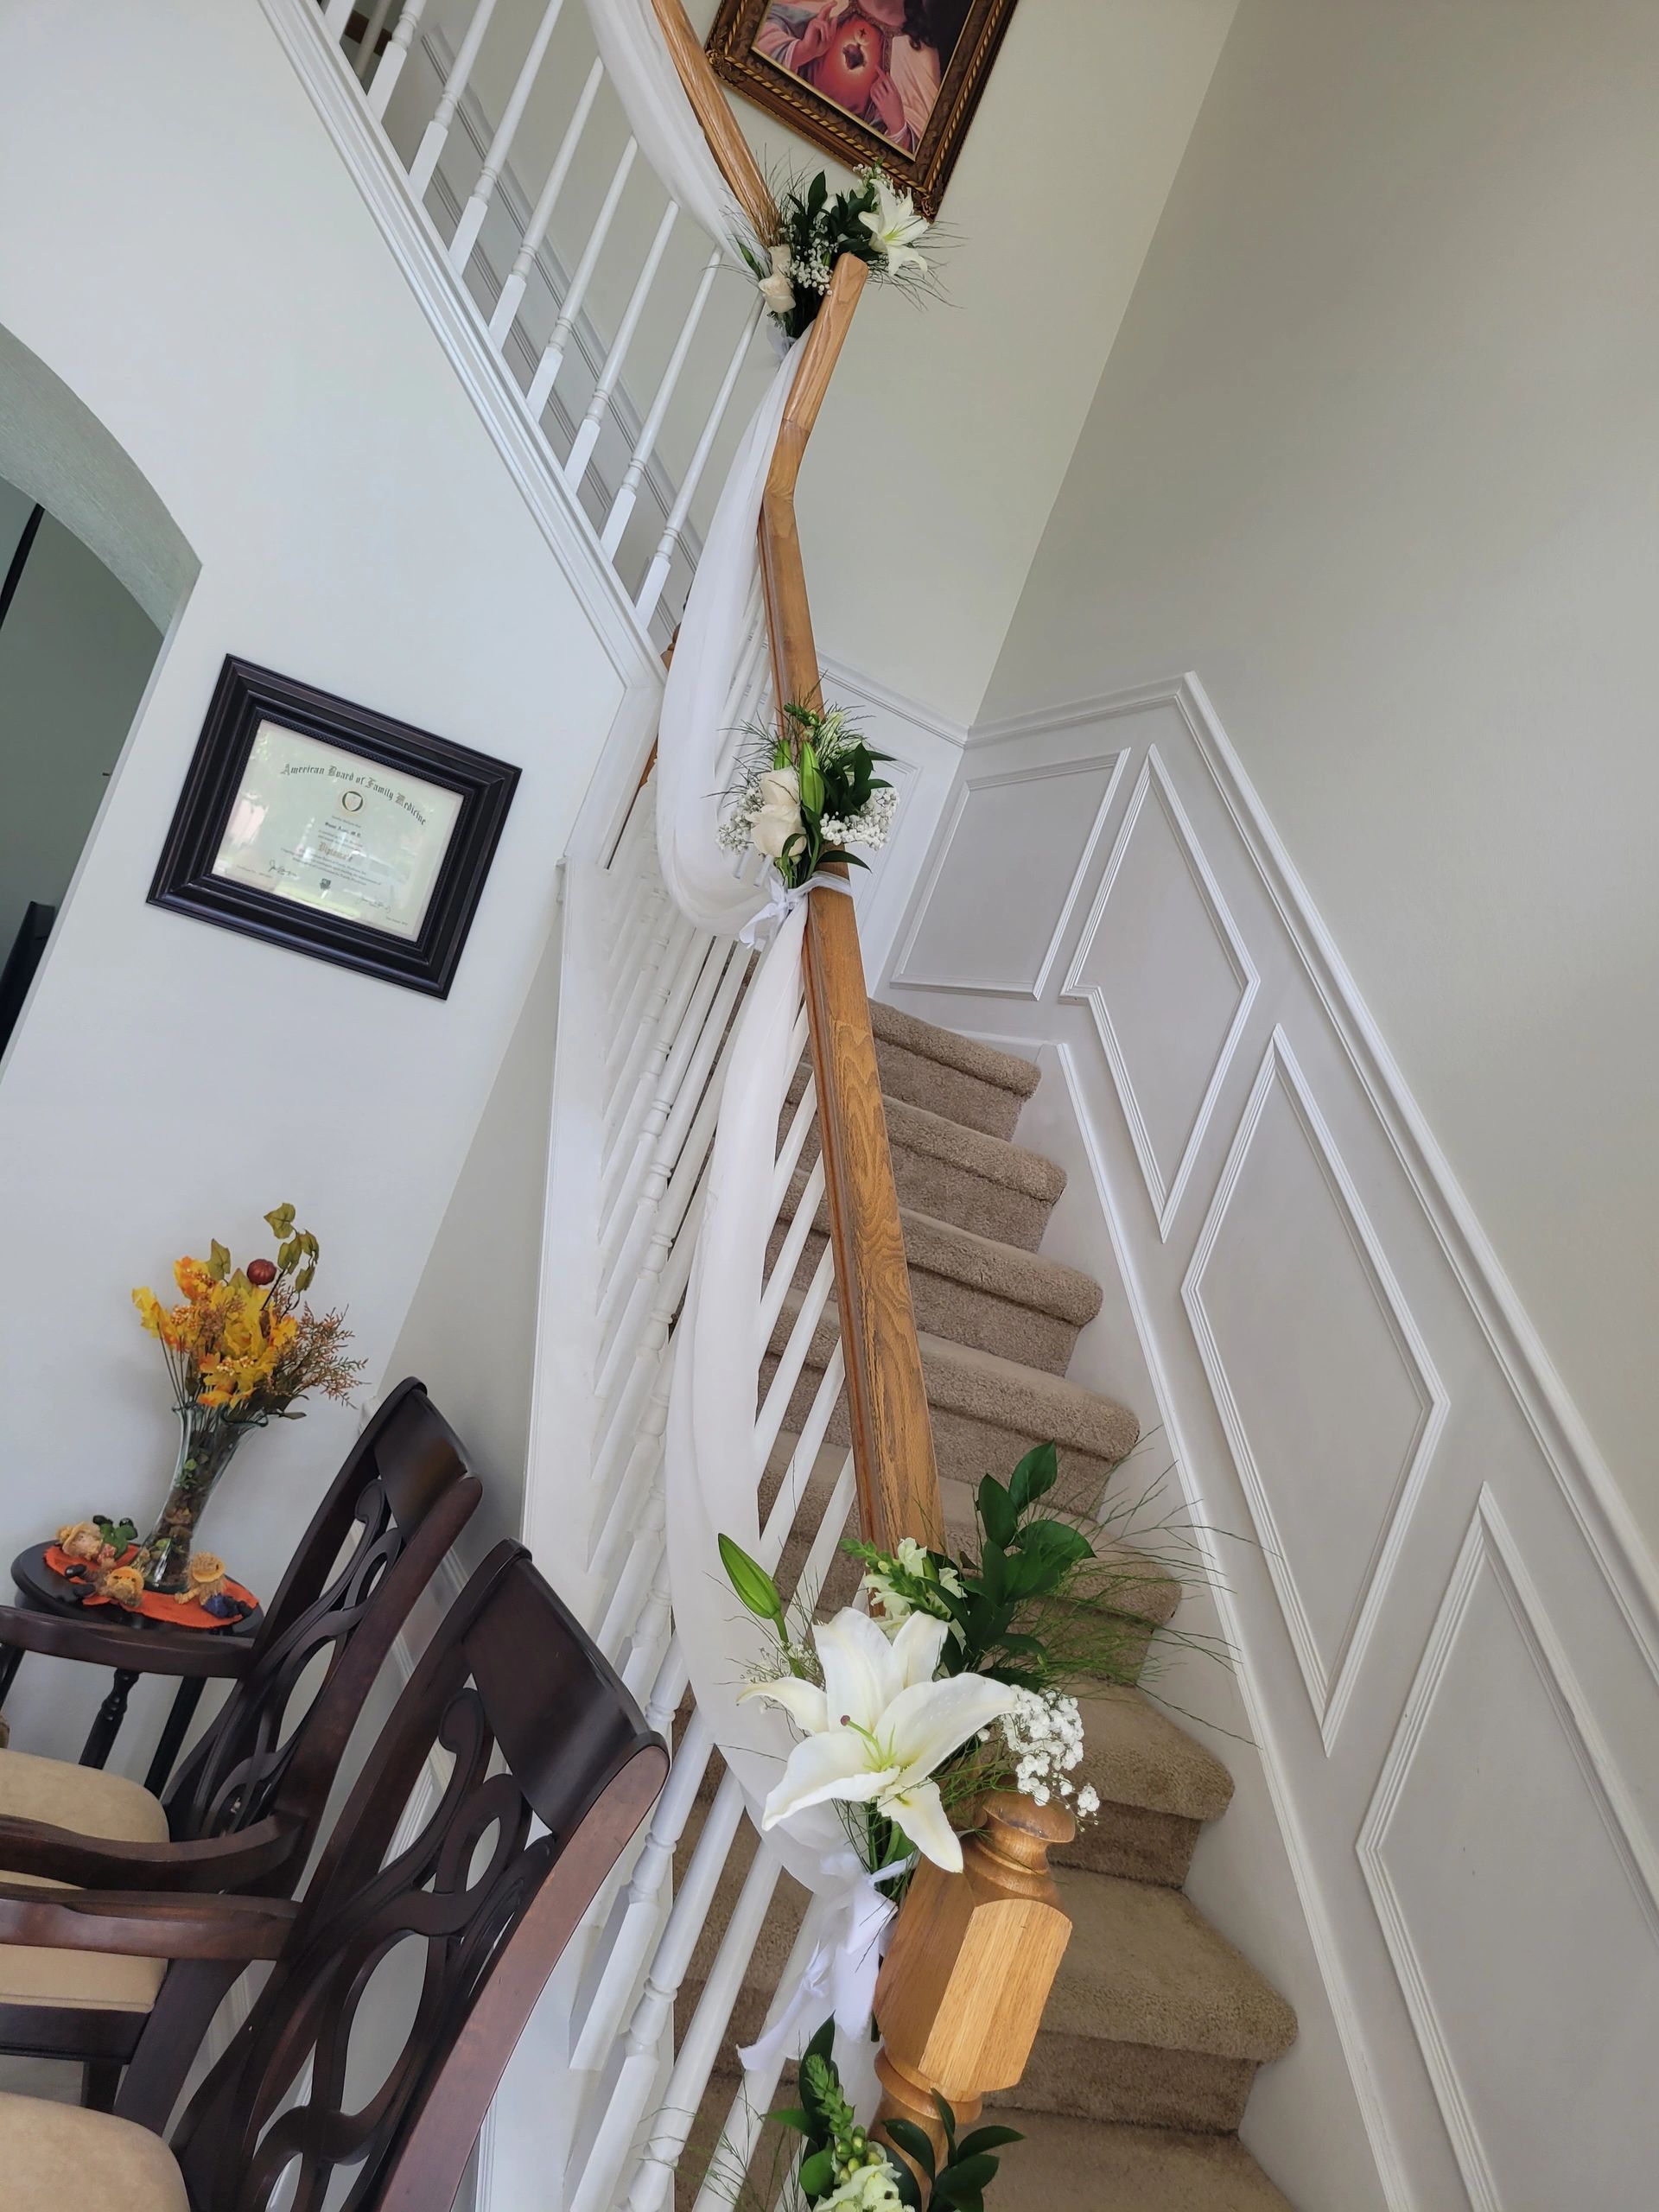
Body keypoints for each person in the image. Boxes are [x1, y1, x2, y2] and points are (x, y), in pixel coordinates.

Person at [756, 0, 946, 154]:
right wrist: (802, 51)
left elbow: (921, 160)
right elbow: (751, 39)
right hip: (771, 126)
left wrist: (898, 127)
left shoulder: (921, 56)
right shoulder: (827, 4)